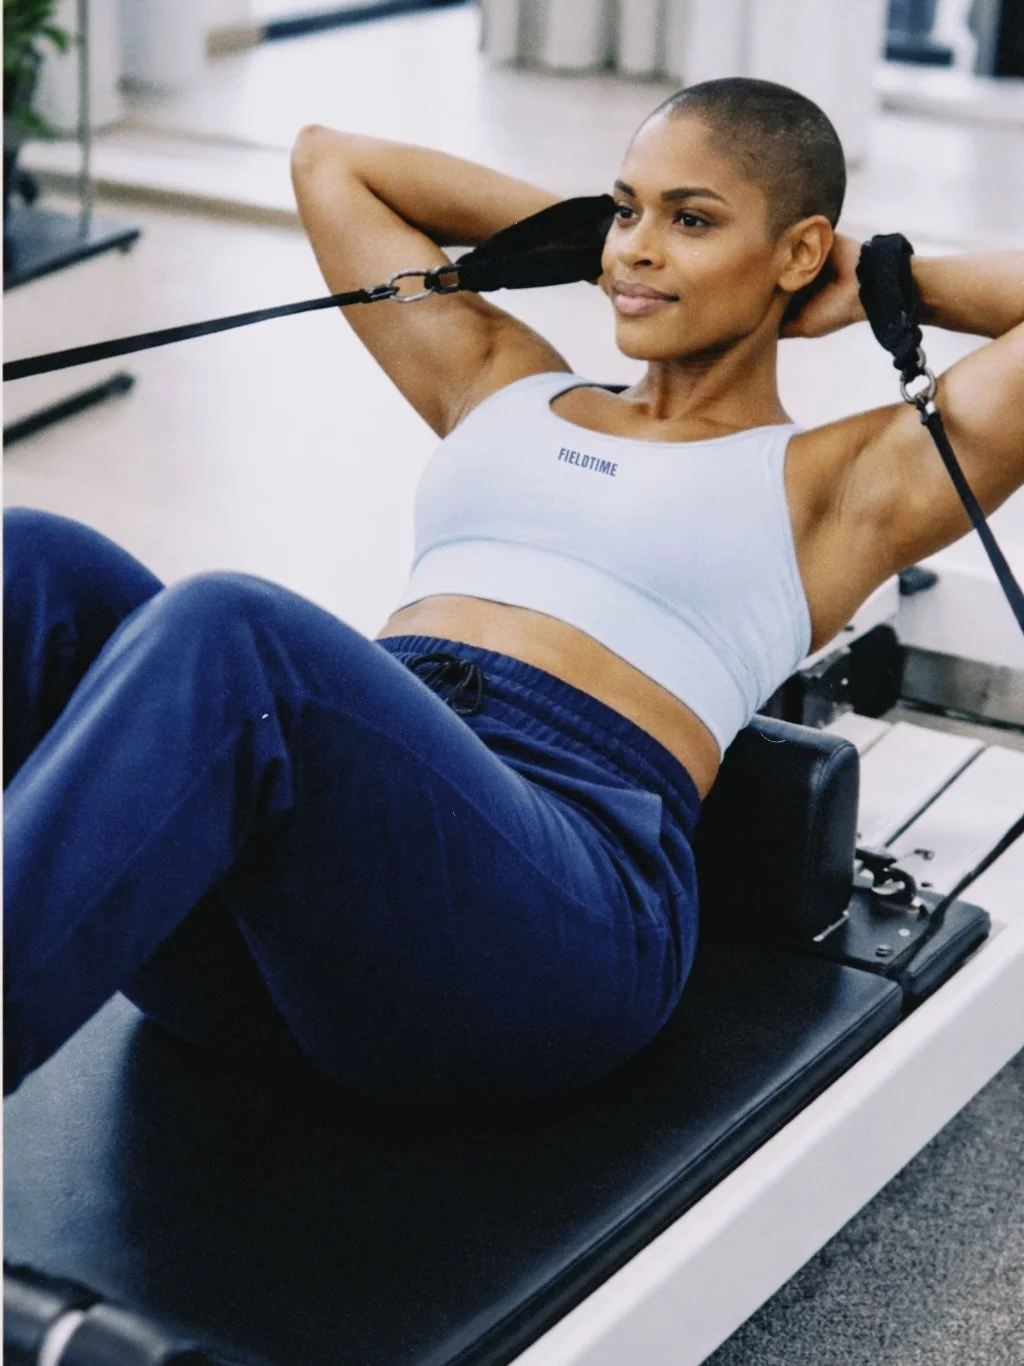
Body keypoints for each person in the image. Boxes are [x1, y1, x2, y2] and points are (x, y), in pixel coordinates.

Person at [5, 80, 1022, 1107]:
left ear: (799, 252)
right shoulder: (503, 378)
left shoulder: (833, 483)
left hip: (553, 928)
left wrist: (891, 277)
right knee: (28, 560)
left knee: (231, 630)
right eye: (627, 208)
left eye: (695, 218)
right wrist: (612, 242)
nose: (638, 247)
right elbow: (331, 157)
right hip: (290, 939)